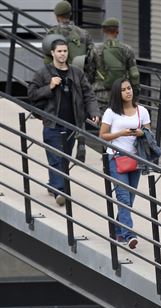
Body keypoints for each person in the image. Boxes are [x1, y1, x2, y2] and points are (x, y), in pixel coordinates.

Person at [28, 37, 99, 206]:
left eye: (65, 51)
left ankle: (54, 184)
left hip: (72, 124)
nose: (62, 54)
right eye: (59, 51)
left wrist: (94, 111)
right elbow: (32, 94)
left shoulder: (76, 73)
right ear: (52, 53)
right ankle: (60, 191)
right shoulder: (43, 73)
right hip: (52, 124)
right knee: (55, 158)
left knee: (64, 159)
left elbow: (88, 94)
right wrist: (50, 87)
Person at [99, 78, 151, 249]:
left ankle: (117, 230)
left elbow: (148, 133)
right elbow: (103, 135)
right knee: (123, 197)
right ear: (117, 93)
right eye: (123, 90)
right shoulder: (111, 112)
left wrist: (140, 133)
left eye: (129, 88)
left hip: (136, 158)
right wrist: (121, 133)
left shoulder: (141, 111)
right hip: (116, 157)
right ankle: (129, 235)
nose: (128, 91)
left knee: (129, 198)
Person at [85, 17, 139, 114]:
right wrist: (134, 95)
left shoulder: (95, 49)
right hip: (121, 94)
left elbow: (90, 73)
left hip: (100, 94)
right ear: (117, 31)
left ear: (103, 30)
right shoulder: (127, 49)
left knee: (103, 124)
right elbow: (134, 75)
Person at [45, 1, 94, 66]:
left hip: (60, 73)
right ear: (70, 14)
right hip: (80, 73)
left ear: (56, 16)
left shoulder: (52, 34)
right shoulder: (84, 33)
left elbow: (47, 60)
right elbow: (92, 55)